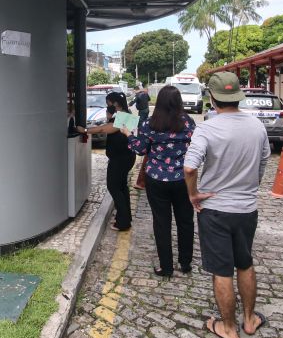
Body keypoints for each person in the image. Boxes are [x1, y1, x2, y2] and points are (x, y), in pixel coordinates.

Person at [183, 71, 270, 338]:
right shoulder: (257, 126)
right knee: (245, 263)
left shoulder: (206, 128)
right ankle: (249, 319)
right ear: (238, 96)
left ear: (212, 97)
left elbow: (189, 167)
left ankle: (229, 328)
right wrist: (250, 185)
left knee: (222, 270)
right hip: (247, 209)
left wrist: (194, 194)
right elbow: (264, 161)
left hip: (216, 209)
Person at [121, 85, 196, 277]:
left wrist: (128, 135)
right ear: (179, 102)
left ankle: (166, 266)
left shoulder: (149, 124)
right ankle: (185, 262)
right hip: (183, 179)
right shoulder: (188, 122)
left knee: (162, 222)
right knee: (185, 220)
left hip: (156, 179)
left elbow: (140, 149)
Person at [77, 92, 135, 231]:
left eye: (108, 103)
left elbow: (105, 129)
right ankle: (126, 216)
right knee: (121, 187)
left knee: (114, 187)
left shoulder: (124, 116)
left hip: (120, 159)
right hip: (126, 156)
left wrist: (84, 130)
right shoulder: (128, 114)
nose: (107, 106)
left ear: (115, 103)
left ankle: (123, 222)